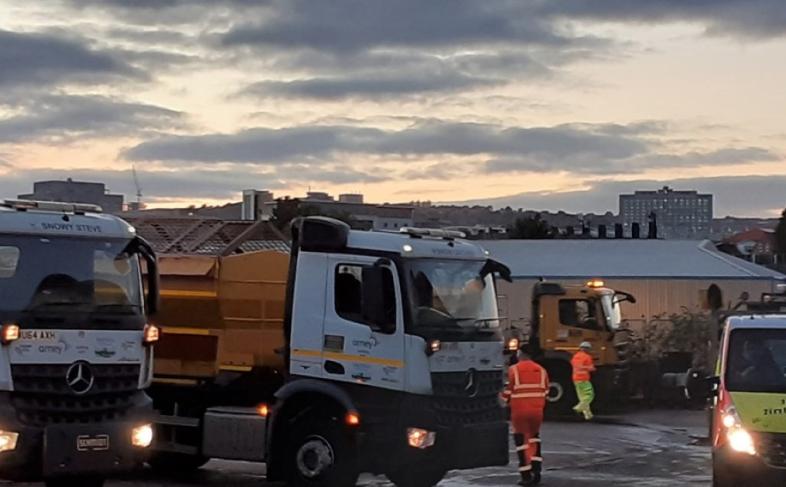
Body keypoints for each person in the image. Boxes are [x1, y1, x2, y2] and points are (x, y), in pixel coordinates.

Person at [501, 345, 549, 486]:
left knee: (522, 442)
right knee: (534, 438)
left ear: (521, 354)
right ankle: (536, 470)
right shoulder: (542, 370)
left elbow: (508, 392)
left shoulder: (514, 370)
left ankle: (526, 475)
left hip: (519, 411)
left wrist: (501, 399)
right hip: (537, 411)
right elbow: (546, 391)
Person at [571, 341, 596, 420]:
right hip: (584, 379)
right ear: (587, 349)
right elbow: (590, 367)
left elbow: (575, 365)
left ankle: (588, 415)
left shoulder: (575, 356)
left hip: (576, 379)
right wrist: (592, 368)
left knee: (582, 397)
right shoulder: (587, 357)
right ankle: (578, 408)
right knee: (589, 395)